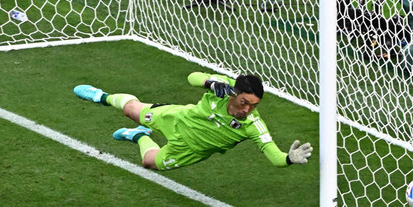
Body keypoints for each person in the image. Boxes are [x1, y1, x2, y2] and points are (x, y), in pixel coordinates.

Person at [73, 73, 313, 171]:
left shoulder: (253, 125)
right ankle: (101, 96)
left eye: (254, 106)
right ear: (234, 93)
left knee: (149, 162)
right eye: (244, 102)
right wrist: (210, 82)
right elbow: (192, 77)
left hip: (189, 150)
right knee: (131, 109)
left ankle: (139, 135)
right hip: (178, 118)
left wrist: (288, 159)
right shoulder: (222, 87)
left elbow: (273, 154)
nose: (247, 110)